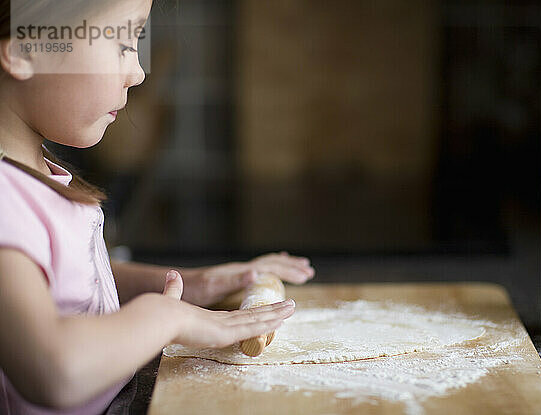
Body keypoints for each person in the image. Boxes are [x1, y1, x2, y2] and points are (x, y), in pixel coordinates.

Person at [0, 0, 314, 413]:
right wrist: (166, 318)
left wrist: (195, 284)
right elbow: (55, 373)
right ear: (24, 50)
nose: (138, 72)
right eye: (119, 42)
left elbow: (65, 283)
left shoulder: (30, 177)